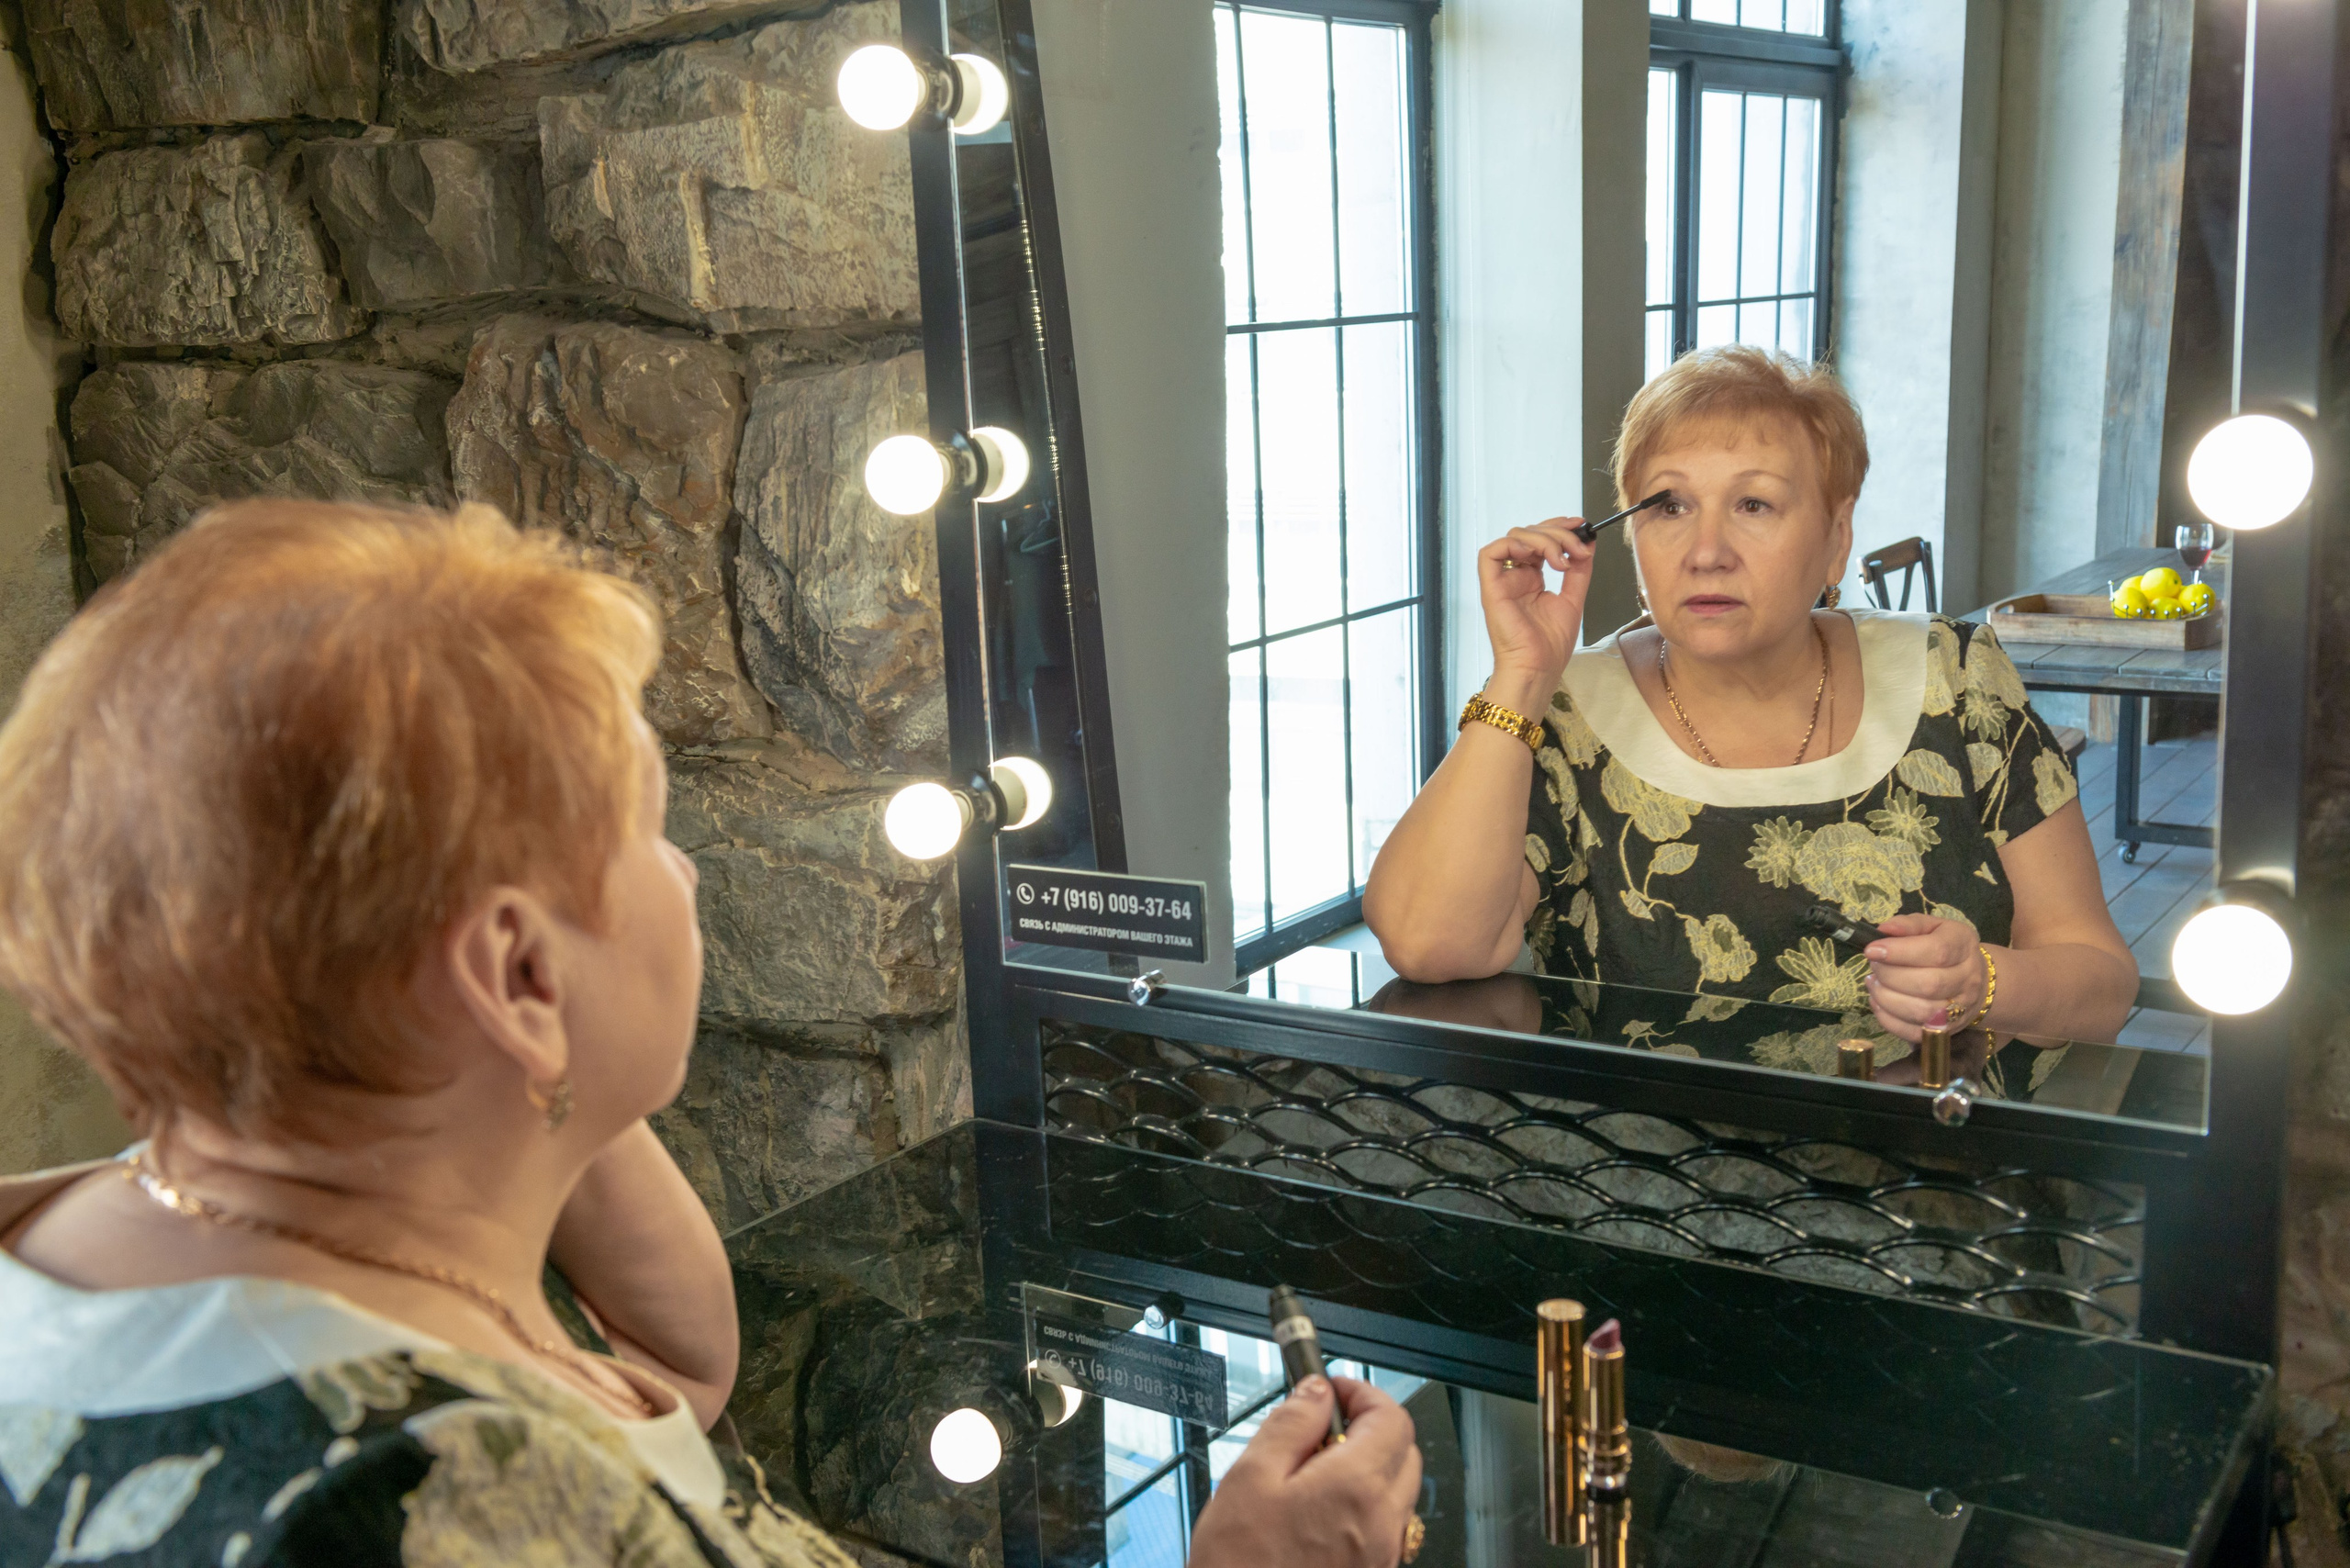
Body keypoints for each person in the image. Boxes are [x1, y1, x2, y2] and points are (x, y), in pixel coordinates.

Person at [0, 499, 1421, 1567]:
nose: (686, 876)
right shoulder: (463, 1492)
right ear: (513, 972)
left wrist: (548, 1084)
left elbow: (669, 1390)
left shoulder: (110, 1235)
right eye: (650, 830)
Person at [1366, 346, 2137, 1051]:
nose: (1706, 553)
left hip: (1928, 1166)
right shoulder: (1564, 712)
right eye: (1668, 506)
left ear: (1836, 538)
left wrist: (1984, 985)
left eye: (1754, 505)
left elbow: (2102, 986)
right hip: (1643, 1180)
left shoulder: (1952, 674)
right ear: (1629, 537)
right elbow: (1428, 946)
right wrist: (1523, 675)